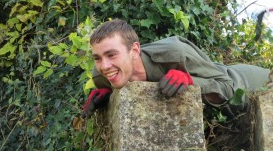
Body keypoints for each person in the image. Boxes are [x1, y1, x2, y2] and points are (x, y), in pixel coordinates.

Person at [81, 19, 270, 119]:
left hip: (250, 83)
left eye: (112, 55)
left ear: (135, 50)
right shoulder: (101, 75)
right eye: (97, 58)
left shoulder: (175, 53)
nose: (104, 66)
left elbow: (228, 87)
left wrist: (191, 82)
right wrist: (109, 94)